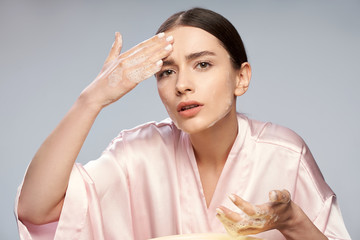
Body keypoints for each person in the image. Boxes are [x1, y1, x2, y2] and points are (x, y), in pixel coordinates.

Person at [15, 7, 350, 240]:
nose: (182, 85)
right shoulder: (137, 153)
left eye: (202, 64)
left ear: (241, 78)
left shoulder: (285, 155)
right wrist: (92, 100)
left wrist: (292, 222)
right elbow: (35, 209)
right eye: (166, 71)